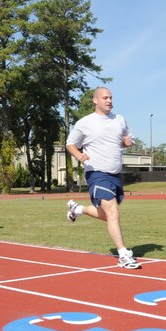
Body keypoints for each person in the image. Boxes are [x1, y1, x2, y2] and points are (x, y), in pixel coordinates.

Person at [65, 87, 141, 269]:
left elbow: (123, 141)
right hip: (97, 173)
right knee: (113, 212)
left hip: (115, 174)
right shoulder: (85, 122)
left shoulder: (119, 119)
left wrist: (127, 143)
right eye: (105, 97)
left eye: (111, 98)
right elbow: (70, 143)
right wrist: (79, 155)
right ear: (95, 100)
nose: (109, 101)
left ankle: (77, 209)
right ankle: (123, 254)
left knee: (108, 215)